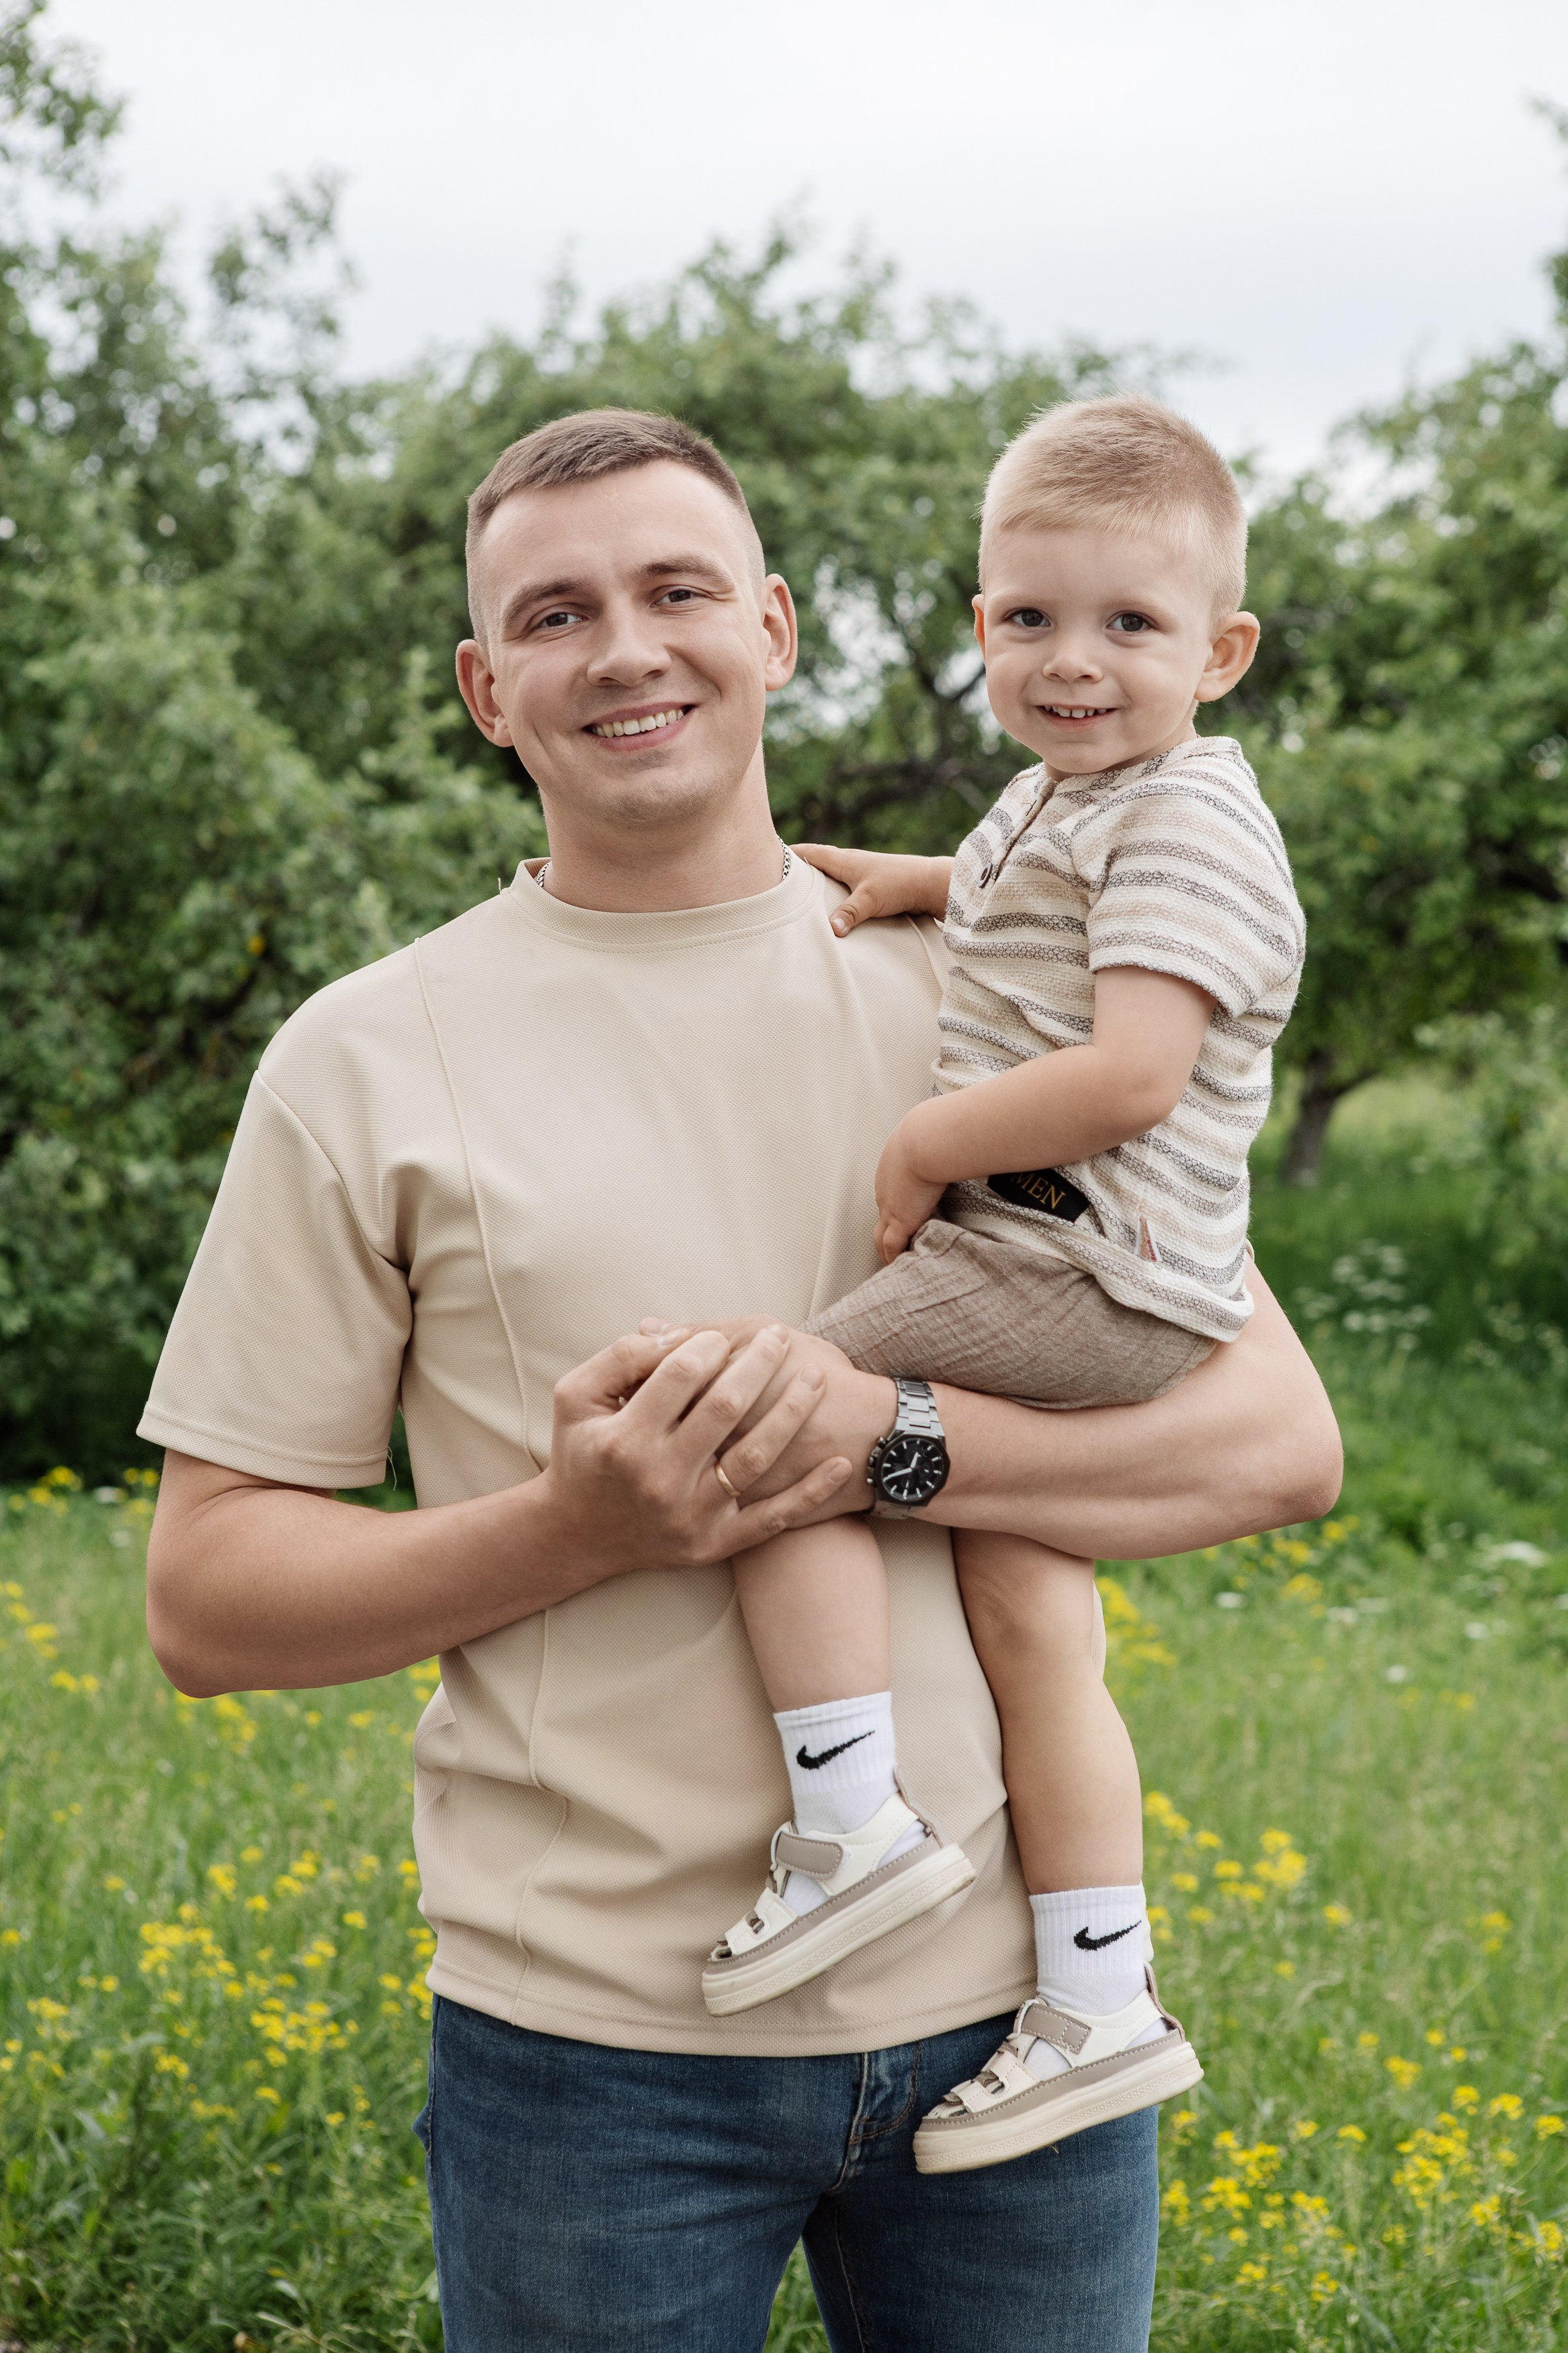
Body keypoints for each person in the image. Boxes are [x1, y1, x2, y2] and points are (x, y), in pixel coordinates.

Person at [140, 407, 1341, 2353]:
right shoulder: (360, 1060)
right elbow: (204, 1602)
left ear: (775, 627)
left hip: (1018, 2041)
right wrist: (572, 1527)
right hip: (591, 2061)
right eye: (557, 611)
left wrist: (889, 1445)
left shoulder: (994, 997)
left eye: (680, 588)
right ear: (484, 687)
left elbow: (1278, 1445)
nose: (628, 647)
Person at [701, 397, 1305, 2182]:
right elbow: (1025, 902)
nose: (1074, 662)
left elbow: (1127, 1071)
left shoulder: (1192, 819)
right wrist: (914, 887)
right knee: (1042, 1632)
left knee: (776, 1419)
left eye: (1130, 625)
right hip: (1102, 1273)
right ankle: (1100, 1993)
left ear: (1224, 648)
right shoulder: (1073, 803)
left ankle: (849, 1822)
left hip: (1065, 1259)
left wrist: (924, 1143)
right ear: (980, 627)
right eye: (1030, 619)